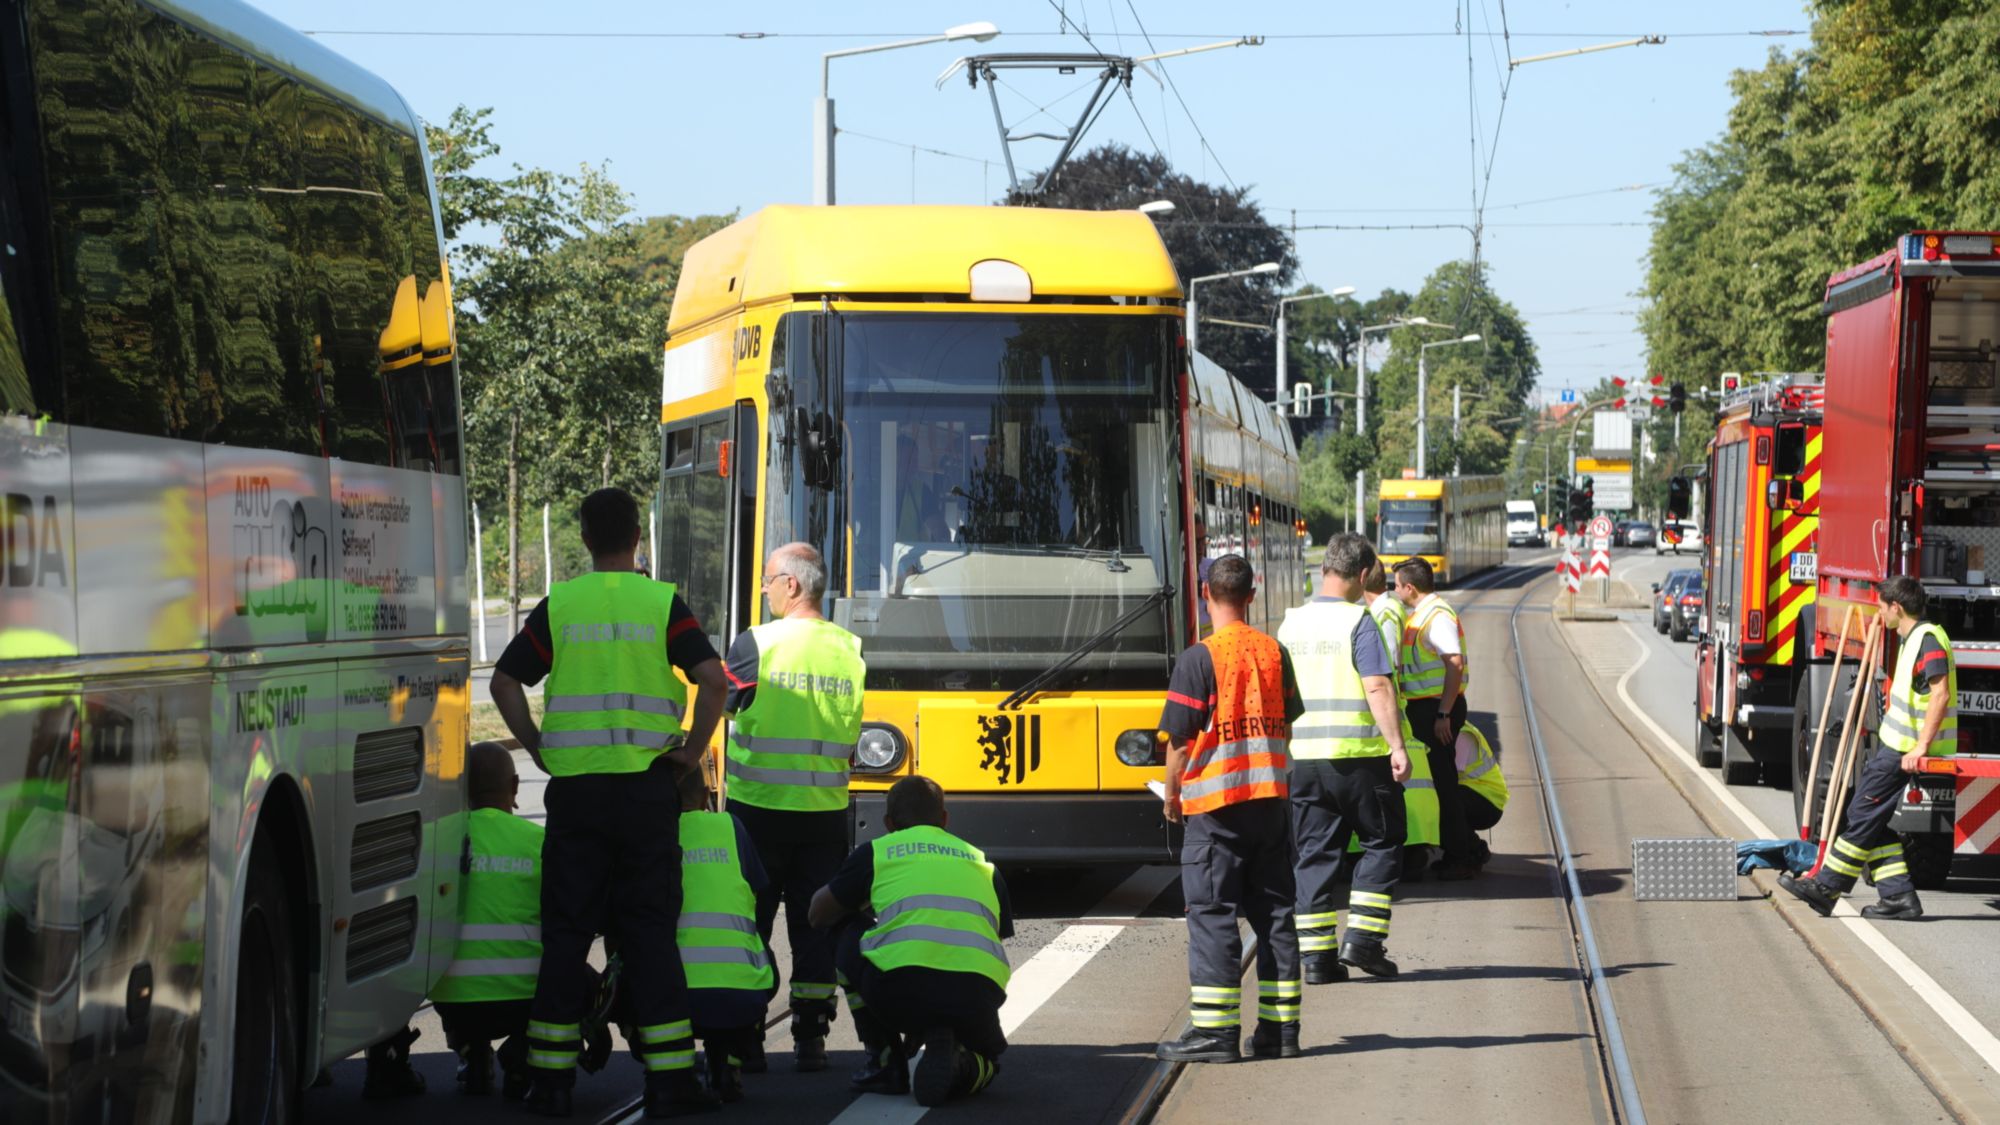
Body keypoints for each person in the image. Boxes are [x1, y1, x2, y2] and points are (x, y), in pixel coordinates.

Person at [491, 487, 728, 1118]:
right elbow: (713, 680)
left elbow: (505, 680)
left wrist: (537, 745)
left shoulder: (561, 604)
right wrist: (692, 750)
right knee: (650, 933)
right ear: (636, 539)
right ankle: (673, 1080)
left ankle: (551, 1080)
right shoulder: (661, 602)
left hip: (577, 796)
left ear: (587, 539)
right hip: (648, 794)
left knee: (566, 937)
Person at [721, 542, 867, 1072]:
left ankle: (744, 1037)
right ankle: (810, 1036)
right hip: (824, 811)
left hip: (757, 811)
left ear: (792, 584)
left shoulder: (756, 644)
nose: (762, 589)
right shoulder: (849, 648)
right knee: (816, 923)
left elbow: (725, 703)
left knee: (750, 922)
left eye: (766, 580)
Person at [1155, 554, 1305, 1063]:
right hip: (1270, 805)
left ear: (1204, 594)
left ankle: (1215, 1035)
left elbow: (1179, 742)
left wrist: (1173, 795)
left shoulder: (1199, 658)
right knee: (1276, 917)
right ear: (1252, 595)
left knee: (1214, 916)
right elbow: (1287, 720)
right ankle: (1281, 1032)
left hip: (1217, 812)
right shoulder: (1275, 653)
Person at [808, 776, 1011, 1106]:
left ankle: (885, 1061)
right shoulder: (982, 861)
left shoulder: (877, 853)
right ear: (944, 819)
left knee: (842, 928)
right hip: (977, 998)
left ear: (889, 823)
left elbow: (818, 915)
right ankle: (963, 1062)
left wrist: (863, 898)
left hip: (898, 995)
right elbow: (994, 934)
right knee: (989, 1063)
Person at [1280, 535, 1414, 985]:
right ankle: (1364, 941)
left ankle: (1317, 960)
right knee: (1383, 840)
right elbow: (1377, 685)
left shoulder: (1290, 624)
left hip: (1304, 760)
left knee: (1315, 855)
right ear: (1362, 577)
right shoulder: (1359, 621)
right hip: (1359, 759)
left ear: (1324, 572)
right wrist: (1397, 746)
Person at [1782, 576, 1955, 921]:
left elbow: (1941, 694)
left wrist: (1920, 747)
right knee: (1871, 817)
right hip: (1896, 747)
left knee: (1861, 813)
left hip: (1905, 751)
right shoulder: (1913, 639)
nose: (1879, 614)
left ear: (1897, 607)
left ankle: (1827, 885)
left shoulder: (1928, 640)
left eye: (1881, 607)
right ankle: (1899, 896)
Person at [430, 743, 545, 1100]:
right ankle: (522, 1057)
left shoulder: (440, 841)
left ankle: (470, 1051)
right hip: (521, 1002)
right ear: (514, 786)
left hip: (452, 1003)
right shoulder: (538, 841)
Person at [674, 767, 776, 1103]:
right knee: (765, 961)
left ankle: (672, 1071)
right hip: (742, 993)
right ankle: (730, 1059)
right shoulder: (731, 826)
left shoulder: (653, 832)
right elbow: (757, 893)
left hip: (670, 996)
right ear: (706, 797)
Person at [1394, 558, 1480, 880]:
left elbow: (1453, 663)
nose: (1395, 590)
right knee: (1442, 783)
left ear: (1410, 587)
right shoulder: (1421, 615)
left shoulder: (1436, 617)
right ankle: (1465, 849)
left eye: (1398, 585)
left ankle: (1462, 856)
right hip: (1429, 708)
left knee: (1445, 785)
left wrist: (1443, 713)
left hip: (1437, 710)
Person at [1361, 559, 1441, 882]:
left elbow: (1387, 667)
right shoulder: (1389, 610)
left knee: (1397, 786)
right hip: (1403, 707)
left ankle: (1406, 853)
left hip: (1396, 711)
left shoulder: (1383, 613)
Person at [1456, 723, 1508, 848]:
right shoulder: (1459, 728)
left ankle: (1471, 851)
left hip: (1487, 802)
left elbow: (1450, 774)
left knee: (1447, 804)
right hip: (1484, 796)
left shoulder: (1462, 734)